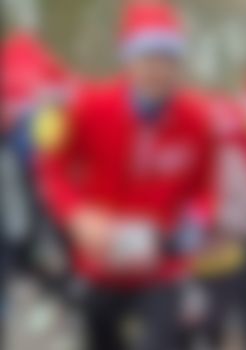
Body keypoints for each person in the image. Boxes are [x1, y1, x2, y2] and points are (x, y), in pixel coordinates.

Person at [35, 3, 213, 348]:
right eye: (147, 58)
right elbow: (52, 168)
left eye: (167, 59)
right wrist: (76, 214)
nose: (157, 70)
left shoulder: (194, 119)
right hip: (100, 266)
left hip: (163, 267)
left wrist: (192, 226)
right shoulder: (89, 106)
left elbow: (205, 190)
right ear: (129, 60)